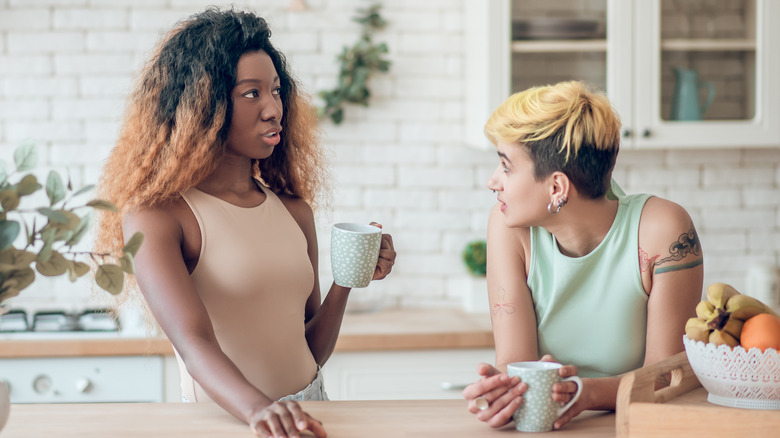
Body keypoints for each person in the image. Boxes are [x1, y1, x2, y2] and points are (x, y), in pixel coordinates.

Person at [94, 8, 396, 438]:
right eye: (251, 94)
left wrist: (348, 279)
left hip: (308, 414)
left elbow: (309, 352)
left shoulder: (294, 211)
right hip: (227, 421)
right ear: (203, 105)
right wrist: (259, 411)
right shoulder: (158, 216)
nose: (274, 108)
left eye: (275, 90)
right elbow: (193, 344)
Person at [462, 81, 703, 430]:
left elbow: (665, 378)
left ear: (557, 187)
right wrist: (503, 390)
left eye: (506, 166)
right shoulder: (508, 228)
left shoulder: (662, 230)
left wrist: (585, 393)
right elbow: (516, 361)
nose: (492, 181)